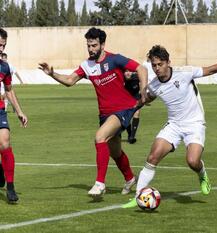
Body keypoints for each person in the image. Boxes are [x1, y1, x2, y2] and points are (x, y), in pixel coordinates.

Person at [123, 45, 217, 208]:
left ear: (168, 62)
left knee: (192, 161)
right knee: (152, 157)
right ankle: (139, 196)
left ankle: (202, 174)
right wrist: (131, 109)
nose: (157, 68)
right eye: (154, 65)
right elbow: (147, 98)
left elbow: (210, 70)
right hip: (174, 125)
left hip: (194, 124)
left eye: (160, 64)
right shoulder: (154, 85)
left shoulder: (185, 73)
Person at [39, 27, 148, 199]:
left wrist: (143, 91)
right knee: (115, 152)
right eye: (88, 45)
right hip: (105, 115)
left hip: (124, 109)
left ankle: (99, 184)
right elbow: (69, 81)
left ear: (103, 44)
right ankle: (129, 178)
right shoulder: (87, 66)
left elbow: (142, 69)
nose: (91, 49)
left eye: (94, 45)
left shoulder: (115, 59)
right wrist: (52, 74)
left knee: (99, 137)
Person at [0, 28, 28, 203]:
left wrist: (19, 111)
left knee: (4, 142)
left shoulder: (4, 66)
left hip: (0, 109)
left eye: (3, 45)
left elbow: (9, 90)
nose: (1, 49)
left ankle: (10, 187)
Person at [124, 71, 141, 144]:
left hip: (136, 97)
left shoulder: (137, 77)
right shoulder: (120, 78)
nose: (128, 73)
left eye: (130, 71)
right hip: (125, 98)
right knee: (127, 117)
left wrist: (144, 97)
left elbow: (144, 84)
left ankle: (132, 137)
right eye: (126, 71)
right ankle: (129, 134)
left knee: (136, 113)